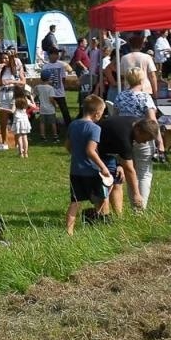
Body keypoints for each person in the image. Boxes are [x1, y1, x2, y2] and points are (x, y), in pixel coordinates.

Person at [65, 95, 114, 235]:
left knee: (75, 202)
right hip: (92, 171)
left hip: (75, 170)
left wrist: (76, 155)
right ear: (97, 113)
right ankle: (102, 228)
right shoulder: (94, 128)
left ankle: (69, 232)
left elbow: (68, 146)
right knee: (102, 199)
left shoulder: (73, 124)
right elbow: (90, 151)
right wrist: (104, 168)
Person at [0, 51, 26, 149]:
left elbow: (23, 82)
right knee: (3, 121)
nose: (4, 60)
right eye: (2, 58)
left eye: (6, 58)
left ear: (10, 58)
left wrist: (12, 81)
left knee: (16, 119)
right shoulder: (0, 70)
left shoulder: (16, 68)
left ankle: (17, 142)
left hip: (14, 94)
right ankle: (4, 143)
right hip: (3, 94)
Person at [131, 116, 158, 211]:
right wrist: (160, 142)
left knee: (131, 172)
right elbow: (152, 118)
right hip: (144, 131)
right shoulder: (146, 100)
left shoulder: (119, 99)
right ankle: (140, 209)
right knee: (143, 174)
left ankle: (136, 207)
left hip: (128, 132)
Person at [12, 86, 33, 158]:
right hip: (25, 119)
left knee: (19, 137)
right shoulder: (26, 100)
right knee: (25, 137)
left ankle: (21, 153)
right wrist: (32, 99)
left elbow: (13, 111)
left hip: (17, 119)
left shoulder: (15, 100)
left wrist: (2, 109)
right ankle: (26, 153)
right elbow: (34, 106)